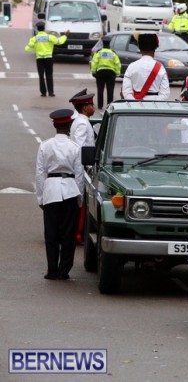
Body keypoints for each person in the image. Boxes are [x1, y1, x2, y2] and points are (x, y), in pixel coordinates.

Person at [35, 109, 84, 280]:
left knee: (51, 233)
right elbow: (79, 175)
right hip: (70, 190)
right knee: (68, 233)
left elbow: (40, 174)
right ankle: (64, 271)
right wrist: (80, 198)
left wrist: (40, 197)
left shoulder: (45, 145)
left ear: (55, 125)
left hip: (51, 190)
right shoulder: (75, 147)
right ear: (69, 125)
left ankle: (52, 270)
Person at [25, 21, 70, 97]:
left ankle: (43, 92)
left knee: (41, 76)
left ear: (37, 29)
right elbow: (59, 42)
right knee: (49, 75)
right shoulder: (49, 37)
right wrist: (65, 35)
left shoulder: (34, 39)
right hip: (49, 58)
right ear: (44, 28)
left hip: (40, 59)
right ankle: (51, 92)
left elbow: (27, 49)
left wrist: (31, 46)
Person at [121, 33, 170, 100]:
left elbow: (126, 92)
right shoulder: (160, 68)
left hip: (135, 106)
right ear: (154, 50)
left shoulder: (131, 67)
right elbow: (165, 94)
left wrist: (135, 104)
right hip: (155, 106)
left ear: (140, 49)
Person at [90, 35, 121, 109]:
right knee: (110, 90)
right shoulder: (113, 53)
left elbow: (94, 62)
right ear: (109, 43)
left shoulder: (99, 52)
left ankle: (100, 106)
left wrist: (93, 72)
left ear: (103, 44)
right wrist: (117, 73)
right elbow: (117, 64)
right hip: (111, 73)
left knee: (100, 90)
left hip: (100, 72)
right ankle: (109, 105)